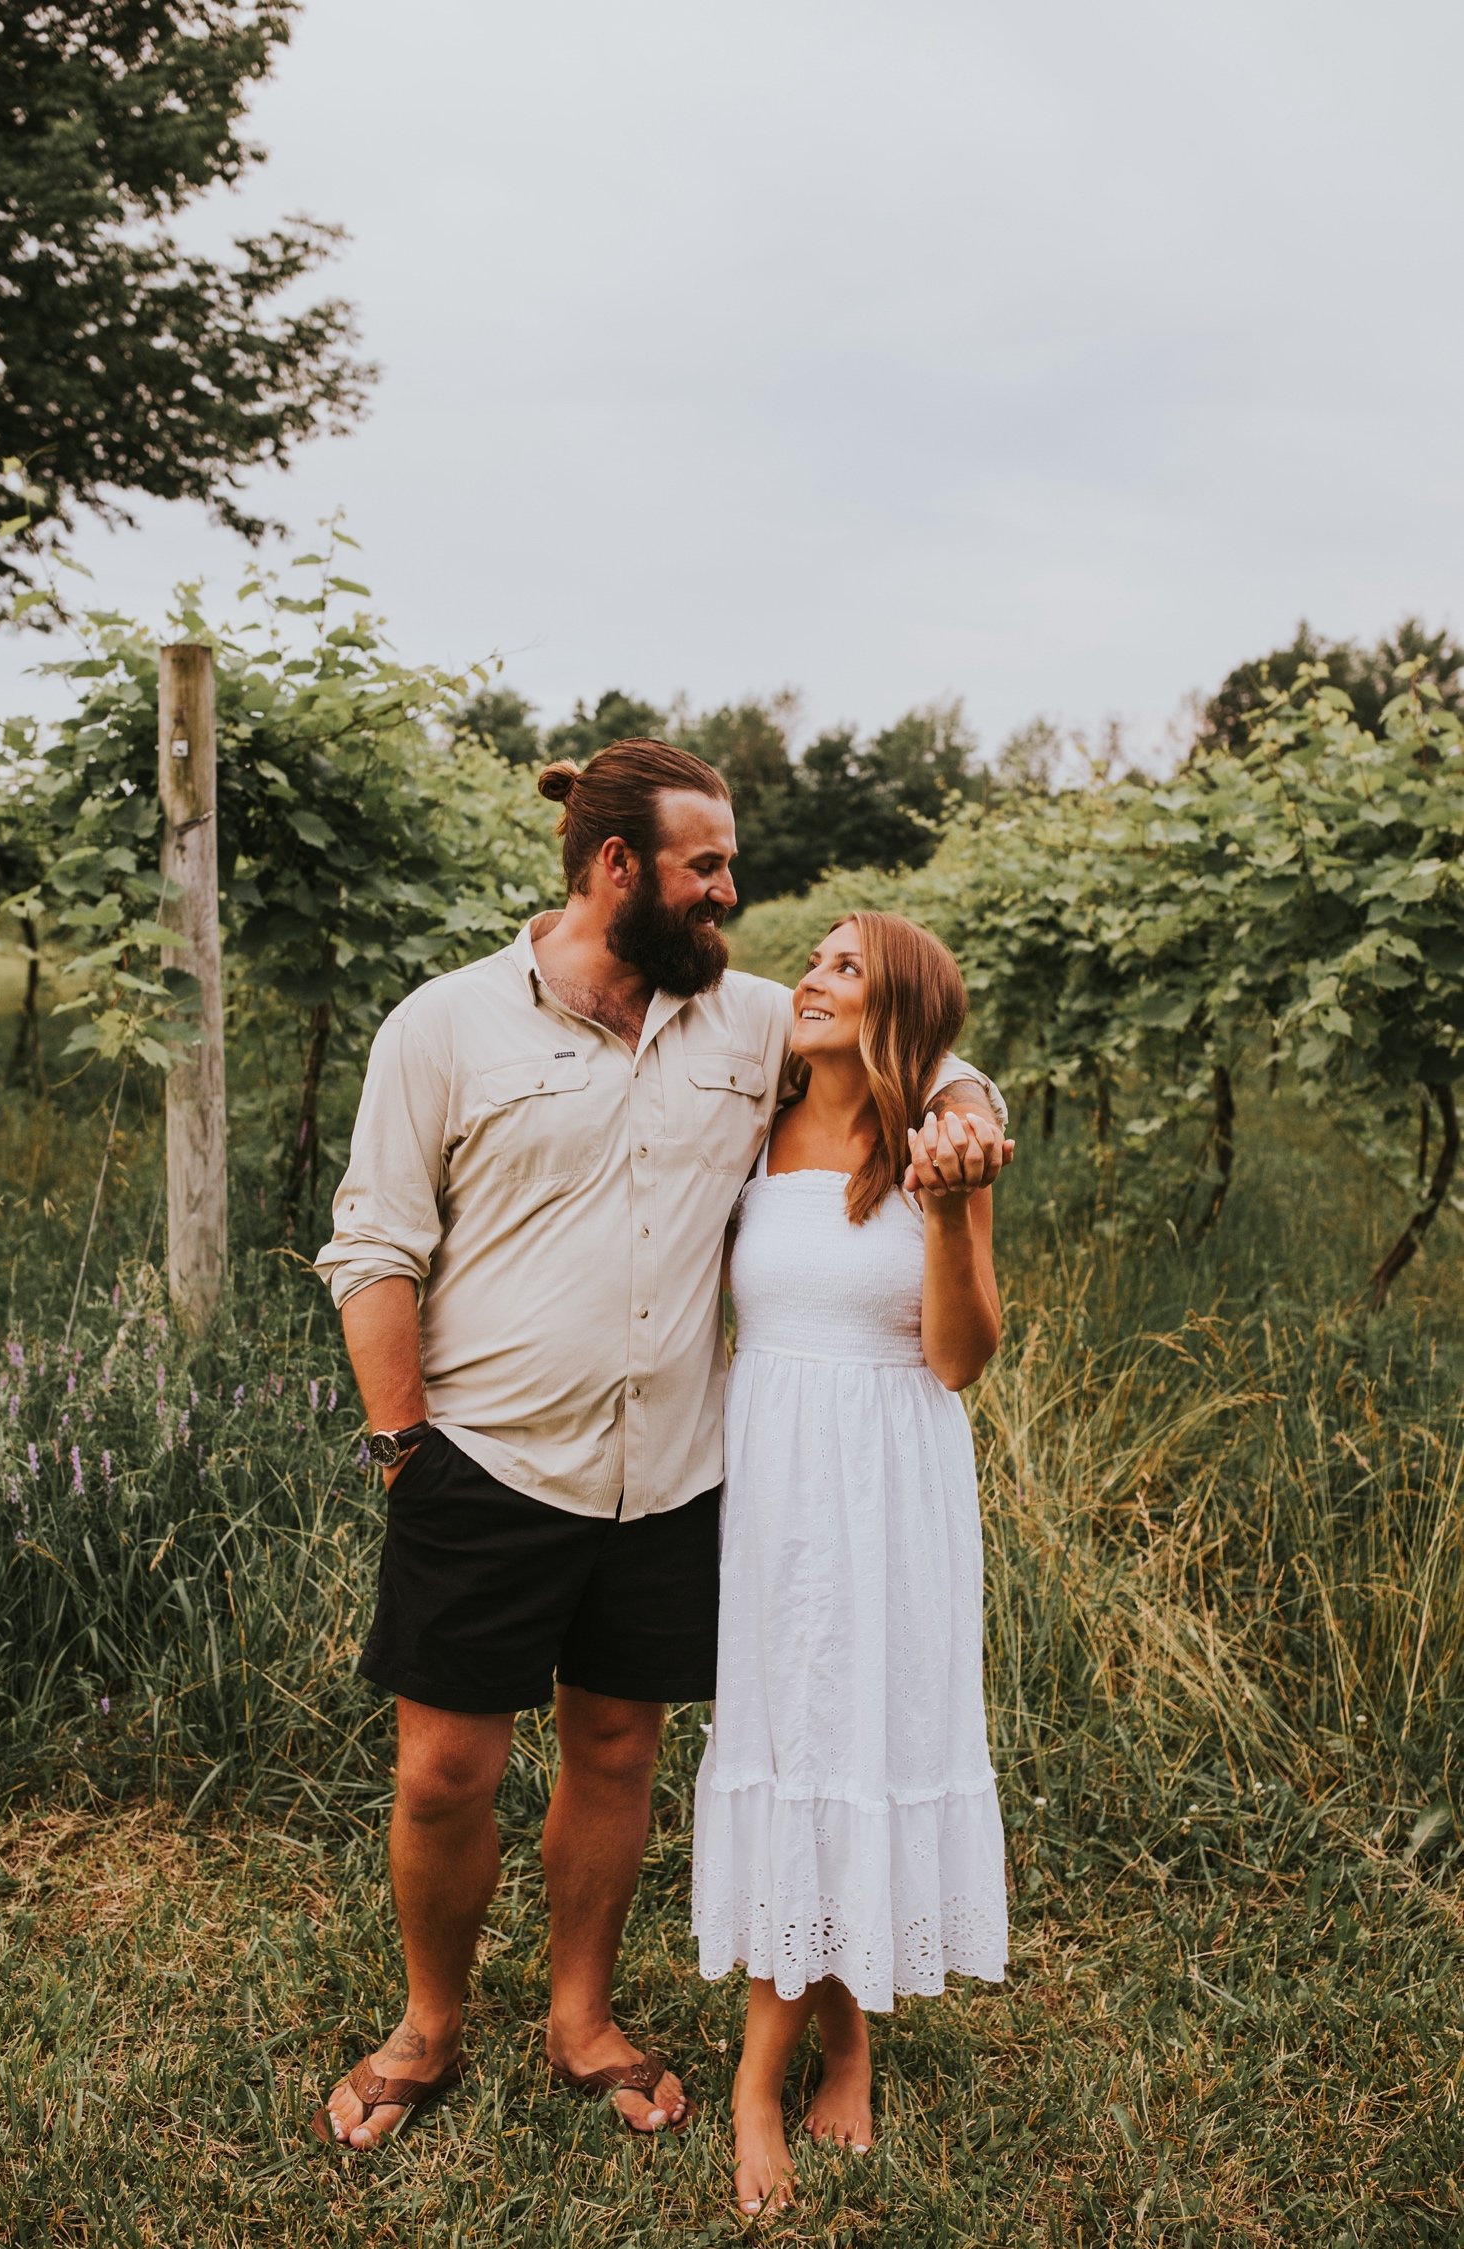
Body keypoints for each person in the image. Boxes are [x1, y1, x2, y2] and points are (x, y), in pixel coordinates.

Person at [310, 740, 1009, 2151]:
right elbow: (374, 1247)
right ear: (617, 868)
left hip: (676, 1474)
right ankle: (429, 2023)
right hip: (487, 1461)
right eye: (707, 869)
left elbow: (912, 1040)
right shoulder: (441, 1028)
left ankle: (581, 2016)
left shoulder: (746, 1023)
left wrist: (971, 1107)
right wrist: (404, 1445)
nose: (730, 896)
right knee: (444, 1771)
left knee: (615, 1750)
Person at [692, 910, 1010, 2218]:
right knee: (796, 1739)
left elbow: (961, 1355)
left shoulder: (941, 1139)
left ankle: (801, 2058)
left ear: (898, 1012)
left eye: (846, 969)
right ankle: (805, 2053)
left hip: (894, 1481)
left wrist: (945, 1212)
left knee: (861, 1743)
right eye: (815, 959)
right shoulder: (754, 1111)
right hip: (774, 1484)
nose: (812, 978)